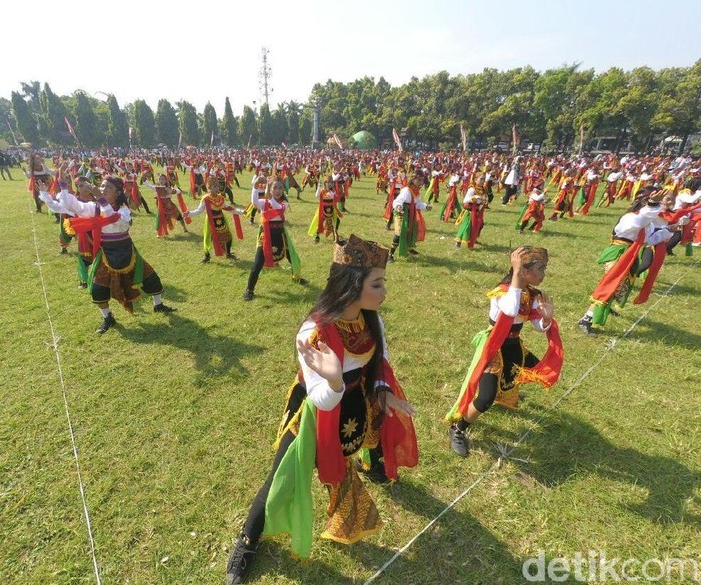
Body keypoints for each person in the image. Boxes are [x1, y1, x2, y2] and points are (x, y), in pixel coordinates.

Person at [225, 234, 418, 585]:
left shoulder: (370, 319)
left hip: (355, 406)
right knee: (280, 477)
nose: (384, 291)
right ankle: (247, 542)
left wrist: (383, 390)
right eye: (377, 284)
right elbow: (319, 398)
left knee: (344, 464)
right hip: (314, 414)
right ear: (352, 285)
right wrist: (332, 381)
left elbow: (380, 359)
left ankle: (360, 487)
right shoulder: (314, 331)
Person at [445, 246, 563, 457]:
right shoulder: (503, 291)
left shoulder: (531, 293)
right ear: (523, 271)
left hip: (513, 345)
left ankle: (506, 386)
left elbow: (537, 325)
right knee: (485, 399)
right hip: (494, 347)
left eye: (544, 269)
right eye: (540, 269)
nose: (543, 275)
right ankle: (458, 428)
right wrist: (516, 276)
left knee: (538, 369)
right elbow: (509, 310)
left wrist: (545, 318)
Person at [49, 174, 176, 333]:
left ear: (117, 193)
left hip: (127, 251)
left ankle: (158, 305)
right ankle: (108, 317)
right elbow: (71, 206)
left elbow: (113, 218)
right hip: (106, 254)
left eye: (108, 187)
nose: (103, 189)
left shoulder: (123, 209)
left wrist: (100, 198)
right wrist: (63, 185)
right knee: (98, 288)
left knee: (151, 278)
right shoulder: (94, 207)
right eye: (101, 186)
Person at [578, 189, 686, 335]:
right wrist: (653, 205)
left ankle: (602, 308)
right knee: (610, 285)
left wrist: (669, 229)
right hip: (619, 253)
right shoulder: (630, 218)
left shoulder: (647, 223)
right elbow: (639, 221)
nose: (659, 207)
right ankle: (586, 319)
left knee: (615, 286)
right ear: (643, 202)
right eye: (656, 203)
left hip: (630, 255)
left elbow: (650, 240)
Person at [243, 178, 306, 301]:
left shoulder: (284, 203)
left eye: (280, 188)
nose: (278, 191)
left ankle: (297, 277)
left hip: (280, 234)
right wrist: (255, 187)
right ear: (270, 189)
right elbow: (254, 202)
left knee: (291, 257)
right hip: (265, 235)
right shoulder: (264, 203)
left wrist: (269, 197)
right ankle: (249, 290)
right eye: (275, 188)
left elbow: (279, 208)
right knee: (258, 263)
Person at [185, 177, 244, 262]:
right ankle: (207, 256)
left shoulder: (221, 198)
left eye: (217, 186)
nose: (217, 188)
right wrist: (189, 213)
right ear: (209, 188)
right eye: (214, 186)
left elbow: (229, 208)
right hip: (211, 222)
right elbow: (199, 211)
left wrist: (242, 212)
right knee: (209, 238)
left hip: (221, 220)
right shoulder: (206, 198)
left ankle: (228, 253)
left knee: (228, 237)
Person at [388, 171, 431, 260]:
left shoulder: (416, 191)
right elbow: (397, 201)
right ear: (413, 180)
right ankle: (390, 255)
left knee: (411, 231)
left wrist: (426, 206)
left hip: (411, 213)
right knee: (399, 233)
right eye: (419, 180)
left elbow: (417, 204)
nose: (421, 183)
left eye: (422, 180)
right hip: (401, 212)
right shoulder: (406, 190)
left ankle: (408, 249)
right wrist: (399, 206)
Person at [308, 175, 342, 243]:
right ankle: (317, 236)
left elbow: (335, 198)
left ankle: (335, 235)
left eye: (331, 182)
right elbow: (317, 195)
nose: (330, 184)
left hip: (331, 209)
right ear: (325, 183)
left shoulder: (333, 191)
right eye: (328, 182)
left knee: (336, 221)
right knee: (319, 221)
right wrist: (319, 187)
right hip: (322, 209)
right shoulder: (322, 190)